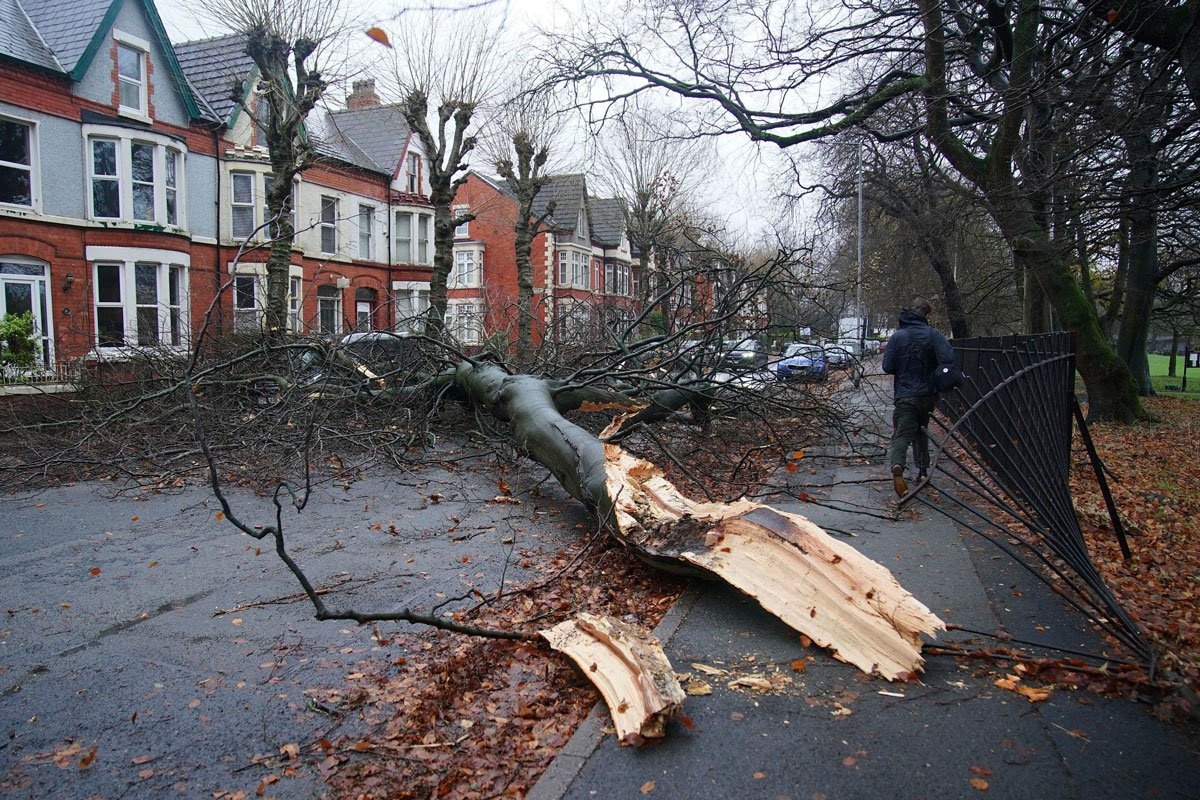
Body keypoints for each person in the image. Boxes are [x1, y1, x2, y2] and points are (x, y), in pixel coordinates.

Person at [881, 296, 954, 497]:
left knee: (902, 433)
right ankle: (922, 471)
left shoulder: (898, 337)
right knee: (922, 430)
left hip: (905, 394)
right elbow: (948, 358)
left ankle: (898, 465)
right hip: (928, 394)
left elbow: (887, 366)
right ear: (925, 315)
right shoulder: (934, 335)